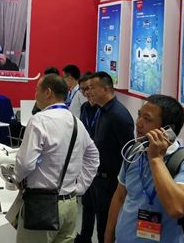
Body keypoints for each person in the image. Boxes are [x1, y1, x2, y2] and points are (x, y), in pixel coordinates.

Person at [104, 95, 184, 243]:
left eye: (147, 119)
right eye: (139, 115)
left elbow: (177, 208)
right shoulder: (134, 153)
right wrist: (108, 236)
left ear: (167, 130)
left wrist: (156, 159)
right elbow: (120, 196)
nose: (138, 123)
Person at [14, 73, 100, 243]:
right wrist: (80, 187)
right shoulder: (76, 122)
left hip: (41, 204)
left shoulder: (39, 120)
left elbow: (25, 163)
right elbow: (93, 156)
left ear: (48, 92)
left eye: (37, 90)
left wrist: (17, 178)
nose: (34, 94)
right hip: (70, 205)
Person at [84, 72, 134, 243]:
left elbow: (128, 154)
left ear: (106, 89)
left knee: (106, 229)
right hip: (98, 179)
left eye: (92, 88)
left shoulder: (118, 115)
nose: (88, 92)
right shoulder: (102, 111)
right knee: (100, 223)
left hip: (111, 183)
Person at [74, 72, 99, 243]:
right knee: (87, 203)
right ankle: (85, 237)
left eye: (89, 88)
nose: (86, 93)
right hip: (85, 161)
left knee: (100, 209)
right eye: (83, 90)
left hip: (102, 168)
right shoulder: (84, 108)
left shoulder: (105, 110)